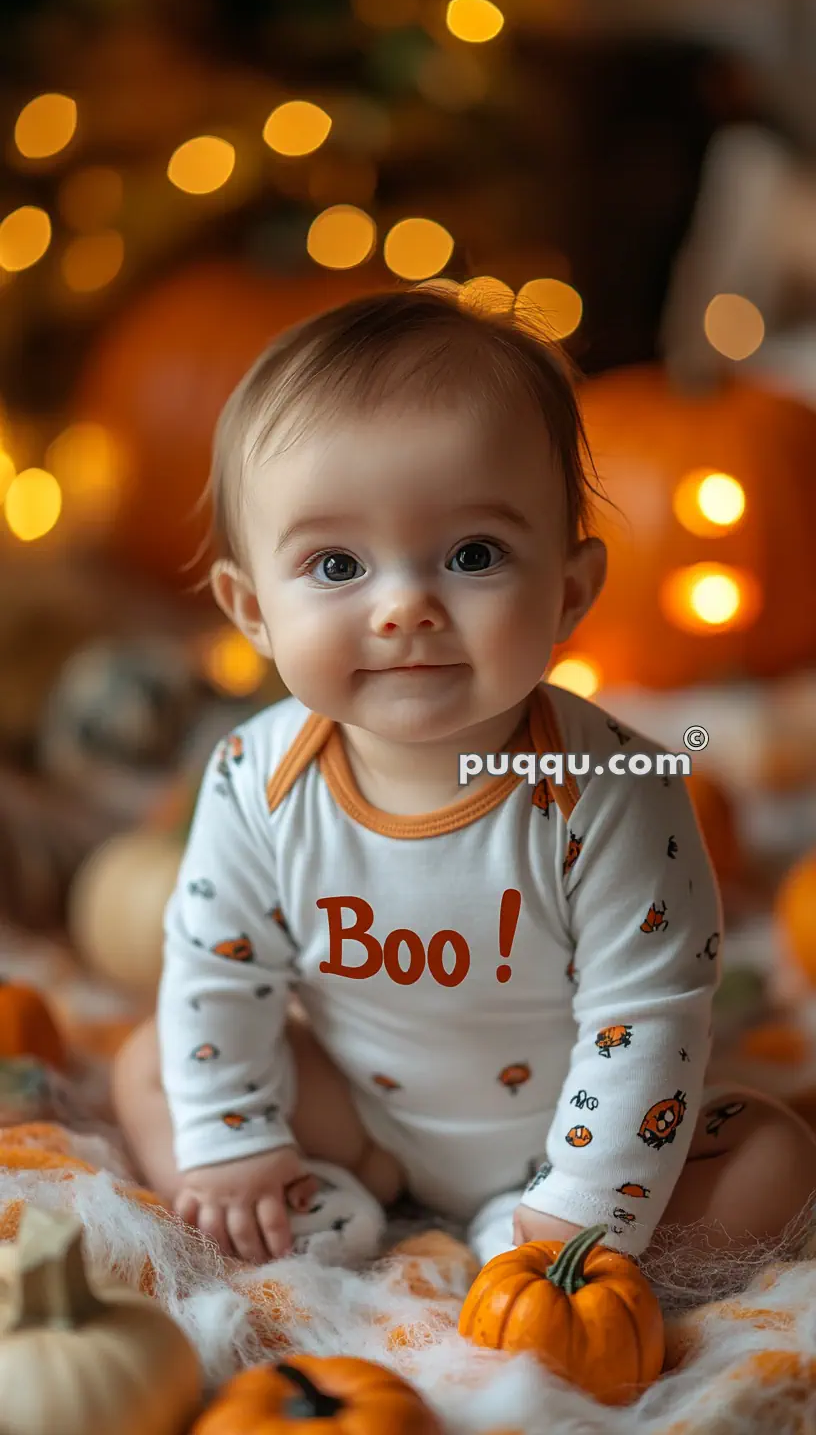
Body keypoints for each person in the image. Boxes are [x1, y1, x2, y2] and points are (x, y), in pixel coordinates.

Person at [113, 287, 816, 1268]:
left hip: (571, 1129)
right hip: (355, 1105)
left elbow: (645, 1015)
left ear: (570, 593)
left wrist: (576, 1212)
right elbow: (221, 968)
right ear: (251, 611)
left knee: (773, 1157)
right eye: (336, 564)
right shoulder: (255, 778)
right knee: (159, 1061)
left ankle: (522, 1245)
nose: (404, 606)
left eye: (472, 554)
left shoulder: (615, 790)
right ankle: (300, 1189)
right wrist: (236, 1141)